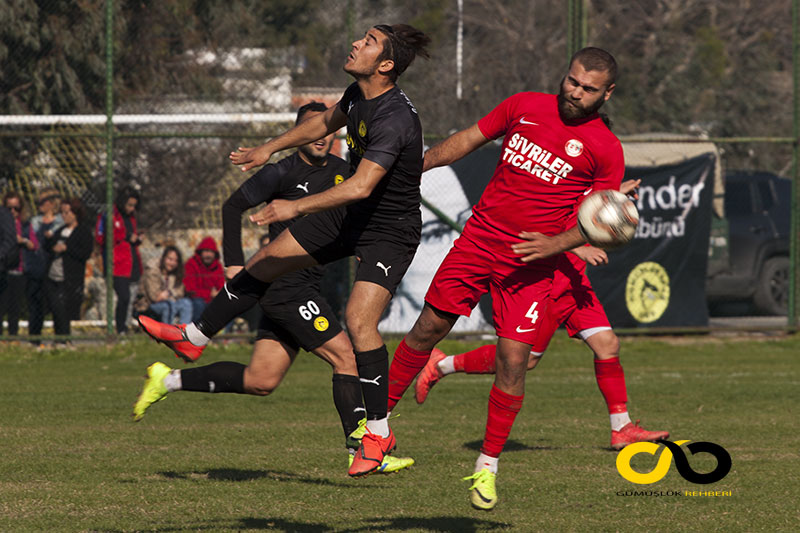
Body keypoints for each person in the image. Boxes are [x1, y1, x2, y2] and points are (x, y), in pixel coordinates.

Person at [139, 23, 431, 478]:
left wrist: (291, 206)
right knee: (266, 260)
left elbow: (361, 185)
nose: (356, 43)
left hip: (389, 231)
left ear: (386, 65)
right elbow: (321, 122)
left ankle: (378, 434)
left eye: (368, 42)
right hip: (354, 216)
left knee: (358, 321)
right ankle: (194, 337)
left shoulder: (394, 117)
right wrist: (267, 149)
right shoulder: (357, 95)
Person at [383, 47, 628, 510]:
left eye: (588, 88)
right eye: (572, 81)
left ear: (607, 93)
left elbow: (602, 219)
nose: (575, 92)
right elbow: (467, 140)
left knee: (515, 362)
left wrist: (555, 245)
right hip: (478, 242)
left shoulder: (605, 148)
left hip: (531, 268)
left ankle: (486, 469)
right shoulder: (525, 105)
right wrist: (418, 165)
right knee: (427, 329)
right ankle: (376, 425)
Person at [414, 241, 669, 451]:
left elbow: (591, 202)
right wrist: (578, 247)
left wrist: (616, 194)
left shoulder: (589, 185)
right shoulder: (556, 184)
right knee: (526, 360)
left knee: (608, 344)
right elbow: (540, 226)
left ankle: (621, 428)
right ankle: (442, 365)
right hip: (550, 285)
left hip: (576, 285)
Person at [96, 187, 143, 334]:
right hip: (117, 264)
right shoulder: (109, 215)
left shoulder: (132, 217)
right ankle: (119, 328)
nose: (131, 208)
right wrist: (125, 236)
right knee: (123, 296)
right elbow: (102, 236)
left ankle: (125, 326)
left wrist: (135, 239)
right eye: (129, 205)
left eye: (134, 205)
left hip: (131, 261)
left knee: (129, 299)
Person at [44, 197, 93, 338]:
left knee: (64, 309)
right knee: (55, 307)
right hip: (54, 275)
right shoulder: (60, 231)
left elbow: (85, 252)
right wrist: (48, 240)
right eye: (62, 213)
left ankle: (65, 338)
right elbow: (49, 248)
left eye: (67, 213)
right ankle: (58, 337)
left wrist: (67, 248)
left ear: (75, 214)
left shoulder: (82, 231)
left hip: (70, 277)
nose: (64, 216)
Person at [0, 192, 39, 337]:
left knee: (14, 307)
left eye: (16, 208)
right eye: (9, 208)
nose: (12, 212)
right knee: (1, 305)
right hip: (3, 269)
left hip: (19, 269)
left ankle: (12, 336)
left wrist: (22, 240)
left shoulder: (24, 225)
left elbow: (34, 245)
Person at [28, 188, 63, 340]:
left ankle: (60, 337)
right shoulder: (35, 221)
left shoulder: (60, 221)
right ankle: (35, 337)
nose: (40, 205)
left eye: (43, 202)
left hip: (53, 266)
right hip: (36, 265)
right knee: (35, 304)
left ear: (51, 203)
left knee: (55, 304)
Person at [135, 245, 193, 325]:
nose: (172, 263)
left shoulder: (176, 272)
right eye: (170, 259)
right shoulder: (152, 271)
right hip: (149, 305)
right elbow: (154, 297)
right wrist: (169, 295)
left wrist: (169, 293)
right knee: (168, 305)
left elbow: (180, 292)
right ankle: (166, 333)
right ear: (164, 258)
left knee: (186, 303)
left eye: (175, 261)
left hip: (170, 301)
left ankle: (183, 332)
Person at [183, 236, 225, 321]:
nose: (208, 255)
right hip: (196, 300)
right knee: (199, 303)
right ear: (200, 252)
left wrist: (217, 294)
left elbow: (220, 287)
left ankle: (225, 332)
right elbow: (190, 289)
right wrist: (209, 293)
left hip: (212, 300)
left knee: (226, 303)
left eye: (211, 252)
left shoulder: (218, 266)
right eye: (206, 251)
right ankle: (196, 330)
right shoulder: (191, 264)